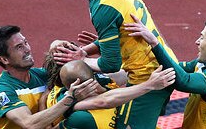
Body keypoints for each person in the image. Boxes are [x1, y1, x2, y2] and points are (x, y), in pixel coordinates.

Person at [53, 0, 178, 128]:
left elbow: (111, 64)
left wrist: (81, 61)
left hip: (147, 77)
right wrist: (86, 50)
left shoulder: (102, 8)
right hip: (162, 62)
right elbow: (124, 33)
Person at [125, 14, 206, 129]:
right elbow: (173, 68)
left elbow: (183, 81)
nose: (197, 41)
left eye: (202, 37)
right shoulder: (205, 64)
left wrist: (154, 43)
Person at [42, 40, 176, 129]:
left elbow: (128, 73)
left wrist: (103, 51)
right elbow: (103, 101)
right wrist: (150, 85)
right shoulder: (76, 111)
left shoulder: (93, 78)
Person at [0, 25, 98, 129]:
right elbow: (29, 123)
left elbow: (72, 69)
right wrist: (70, 98)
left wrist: (56, 43)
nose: (27, 49)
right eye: (19, 47)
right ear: (4, 59)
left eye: (25, 42)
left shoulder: (42, 75)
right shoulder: (0, 91)